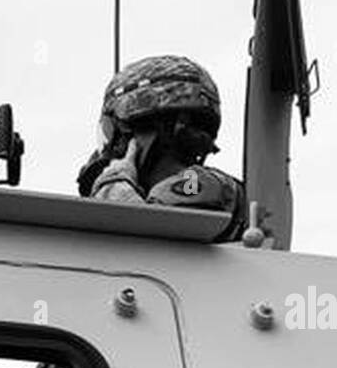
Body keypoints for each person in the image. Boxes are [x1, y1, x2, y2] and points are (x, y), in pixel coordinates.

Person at [76, 55, 246, 240]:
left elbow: (136, 249)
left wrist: (114, 184)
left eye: (116, 134)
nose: (116, 150)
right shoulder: (205, 187)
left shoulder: (196, 184)